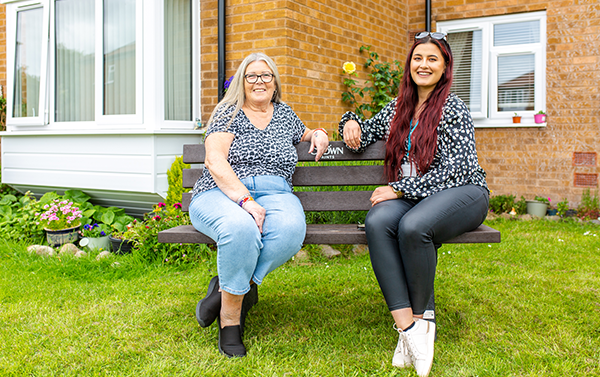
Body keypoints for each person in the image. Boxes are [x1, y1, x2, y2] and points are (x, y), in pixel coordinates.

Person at [339, 32, 489, 376]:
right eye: (418, 58)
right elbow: (363, 130)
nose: (424, 64)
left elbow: (459, 168)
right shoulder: (398, 108)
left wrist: (400, 188)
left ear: (445, 66)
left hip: (464, 193)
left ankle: (422, 324)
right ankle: (407, 328)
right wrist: (348, 120)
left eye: (432, 59)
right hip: (417, 196)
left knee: (414, 227)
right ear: (409, 65)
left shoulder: (453, 107)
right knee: (378, 221)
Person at [189, 52, 329, 358]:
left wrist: (318, 132)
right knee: (240, 228)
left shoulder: (285, 114)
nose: (259, 81)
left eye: (266, 75)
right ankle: (230, 321)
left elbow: (306, 133)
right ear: (242, 81)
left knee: (291, 230)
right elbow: (215, 160)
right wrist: (245, 200)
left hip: (276, 192)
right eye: (251, 76)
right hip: (221, 192)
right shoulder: (227, 112)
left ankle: (230, 290)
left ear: (275, 82)